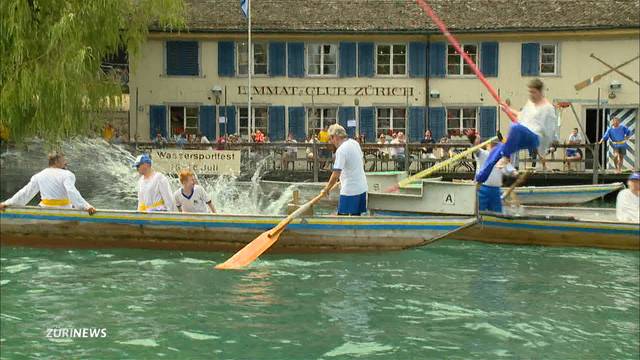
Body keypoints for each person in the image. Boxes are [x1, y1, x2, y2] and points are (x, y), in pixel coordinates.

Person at [476, 78, 556, 182]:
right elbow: (520, 116)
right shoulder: (530, 104)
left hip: (535, 138)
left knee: (514, 127)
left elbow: (550, 131)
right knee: (497, 149)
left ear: (540, 92)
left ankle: (506, 157)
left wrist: (544, 149)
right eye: (530, 92)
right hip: (523, 135)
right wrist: (507, 110)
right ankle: (480, 178)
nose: (531, 95)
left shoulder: (548, 108)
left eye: (533, 92)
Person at [0, 152, 96, 214]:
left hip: (44, 210)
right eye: (63, 160)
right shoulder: (67, 174)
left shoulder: (39, 175)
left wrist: (7, 203)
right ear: (57, 161)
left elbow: (26, 192)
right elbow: (71, 192)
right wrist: (86, 206)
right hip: (65, 210)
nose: (66, 162)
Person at [321, 124, 368, 216]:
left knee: (343, 218)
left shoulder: (341, 150)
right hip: (362, 188)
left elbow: (335, 174)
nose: (331, 142)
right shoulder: (355, 143)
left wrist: (326, 189)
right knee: (356, 219)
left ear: (335, 137)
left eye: (330, 139)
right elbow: (358, 163)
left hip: (350, 191)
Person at [471, 135, 518, 213]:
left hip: (495, 190)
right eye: (492, 145)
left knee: (497, 213)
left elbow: (510, 169)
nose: (494, 147)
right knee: (479, 211)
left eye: (496, 145)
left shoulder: (501, 157)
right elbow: (475, 150)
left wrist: (516, 173)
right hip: (482, 188)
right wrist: (476, 141)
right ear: (487, 146)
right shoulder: (483, 154)